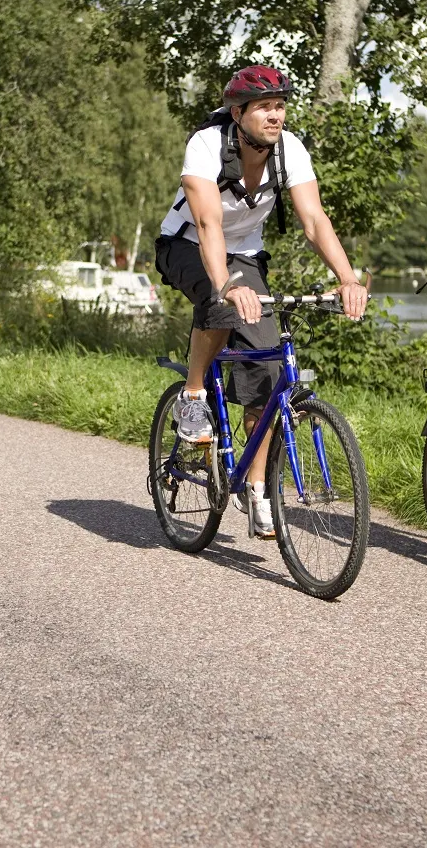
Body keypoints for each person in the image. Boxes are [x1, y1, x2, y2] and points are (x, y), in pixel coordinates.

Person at [155, 65, 367, 540]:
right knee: (223, 303)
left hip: (245, 254)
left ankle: (257, 491)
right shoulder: (207, 144)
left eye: (280, 107)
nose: (276, 116)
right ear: (238, 113)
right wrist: (227, 284)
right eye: (265, 107)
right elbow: (208, 223)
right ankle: (192, 398)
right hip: (187, 245)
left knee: (267, 375)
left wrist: (347, 278)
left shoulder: (291, 150)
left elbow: (314, 220)